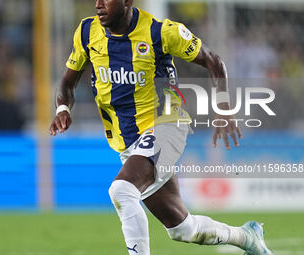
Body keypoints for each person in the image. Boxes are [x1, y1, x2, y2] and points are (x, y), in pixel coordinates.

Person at [50, 1, 273, 254]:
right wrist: (63, 109)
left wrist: (223, 106)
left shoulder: (161, 32)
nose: (99, 4)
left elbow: (214, 61)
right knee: (183, 228)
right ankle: (248, 237)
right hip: (129, 142)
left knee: (122, 190)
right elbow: (67, 82)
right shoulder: (86, 32)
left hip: (167, 126)